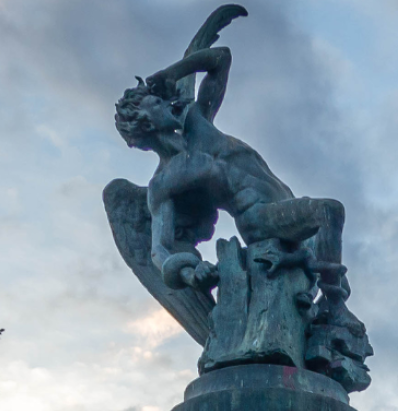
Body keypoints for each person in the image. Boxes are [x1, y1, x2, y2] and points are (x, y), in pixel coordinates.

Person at [114, 29, 351, 322]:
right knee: (329, 212)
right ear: (144, 120)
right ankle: (335, 305)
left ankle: (325, 306)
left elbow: (221, 58)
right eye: (157, 103)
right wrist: (190, 274)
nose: (169, 102)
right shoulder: (164, 182)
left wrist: (172, 71)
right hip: (260, 217)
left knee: (321, 259)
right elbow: (158, 252)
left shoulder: (198, 122)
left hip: (287, 205)